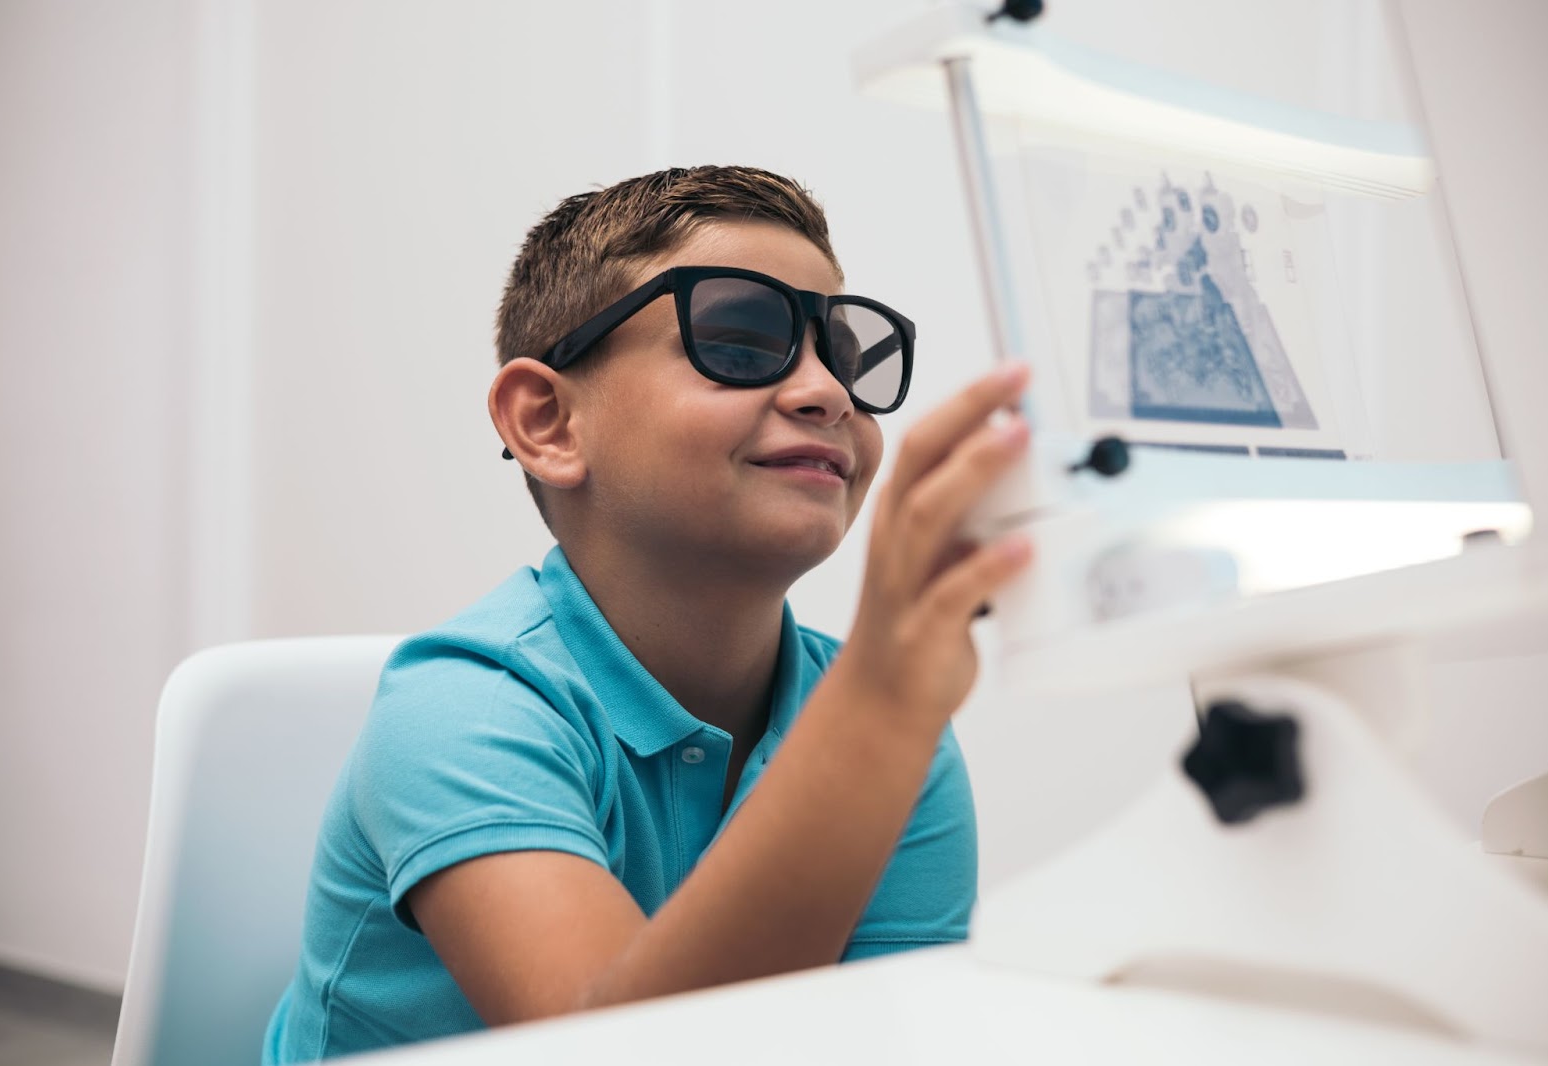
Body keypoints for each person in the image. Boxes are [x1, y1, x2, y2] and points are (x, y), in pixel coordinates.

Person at [263, 165, 1032, 1063]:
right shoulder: (460, 710)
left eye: (849, 362)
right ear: (546, 421)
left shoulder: (895, 734)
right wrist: (884, 698)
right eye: (741, 344)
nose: (828, 391)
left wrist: (887, 706)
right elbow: (615, 1051)